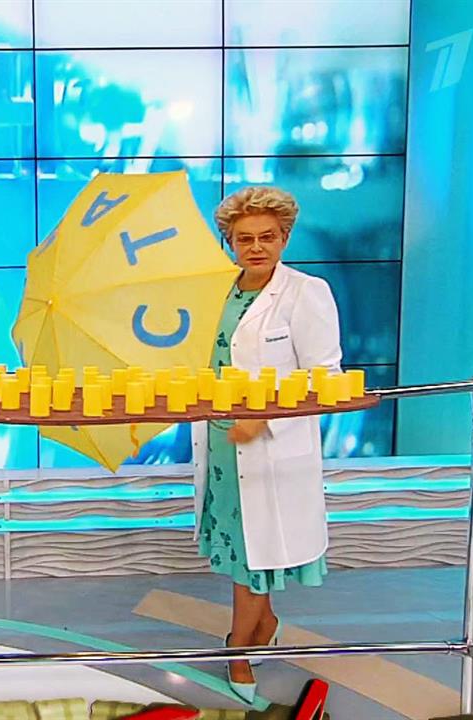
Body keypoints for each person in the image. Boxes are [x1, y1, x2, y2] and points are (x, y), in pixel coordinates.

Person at [193, 186, 342, 703]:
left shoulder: (306, 292)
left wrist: (263, 419)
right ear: (230, 242)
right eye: (244, 239)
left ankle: (237, 649)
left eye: (267, 237)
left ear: (284, 237)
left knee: (252, 556)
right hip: (220, 441)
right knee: (244, 547)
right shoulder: (218, 293)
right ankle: (266, 623)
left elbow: (325, 377)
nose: (256, 247)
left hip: (269, 445)